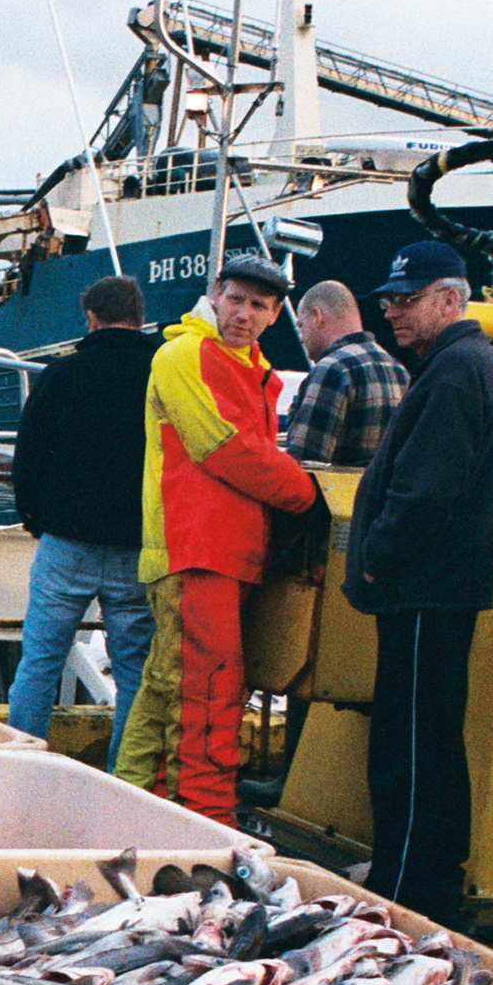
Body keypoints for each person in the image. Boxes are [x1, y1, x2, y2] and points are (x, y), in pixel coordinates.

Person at [112, 253, 318, 826]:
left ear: (277, 314)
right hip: (195, 550)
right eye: (235, 300)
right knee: (208, 691)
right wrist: (308, 497)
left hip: (219, 553)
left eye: (258, 305)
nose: (243, 314)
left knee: (165, 690)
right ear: (215, 295)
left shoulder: (247, 368)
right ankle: (202, 817)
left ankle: (132, 810)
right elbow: (222, 446)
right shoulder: (184, 354)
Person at [343, 240, 493, 925]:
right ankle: (432, 875)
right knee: (435, 739)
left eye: (406, 299)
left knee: (408, 748)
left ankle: (404, 890)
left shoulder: (453, 373)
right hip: (440, 591)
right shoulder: (464, 367)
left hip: (424, 590)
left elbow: (426, 490)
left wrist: (378, 557)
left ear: (450, 299)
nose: (390, 311)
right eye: (388, 299)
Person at [5, 274, 158, 754]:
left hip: (67, 542)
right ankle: (125, 779)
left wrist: (35, 518)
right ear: (139, 317)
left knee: (39, 665)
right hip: (136, 546)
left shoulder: (62, 373)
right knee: (135, 672)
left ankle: (23, 770)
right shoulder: (161, 370)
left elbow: (27, 458)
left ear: (90, 318)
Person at [287, 279, 408, 470]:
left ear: (317, 316)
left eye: (301, 325)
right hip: (379, 496)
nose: (301, 336)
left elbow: (303, 463)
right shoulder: (399, 370)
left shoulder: (332, 369)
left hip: (333, 498)